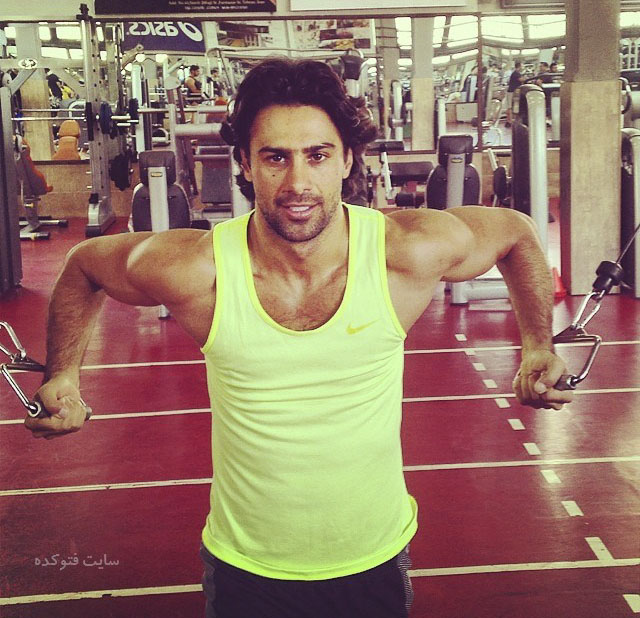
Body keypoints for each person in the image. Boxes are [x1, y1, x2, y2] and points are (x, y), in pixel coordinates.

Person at [25, 58, 573, 618]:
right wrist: (63, 375)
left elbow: (515, 234)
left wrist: (538, 346)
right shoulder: (197, 270)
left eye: (317, 155)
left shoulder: (405, 253)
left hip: (374, 559)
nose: (298, 184)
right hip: (245, 569)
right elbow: (85, 265)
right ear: (244, 163)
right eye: (275, 157)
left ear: (347, 159)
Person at [505, 61, 525, 126]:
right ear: (519, 66)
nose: (523, 67)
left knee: (512, 106)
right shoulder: (516, 73)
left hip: (513, 91)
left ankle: (510, 120)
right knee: (510, 106)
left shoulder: (516, 73)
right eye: (522, 66)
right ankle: (509, 121)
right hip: (511, 91)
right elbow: (522, 80)